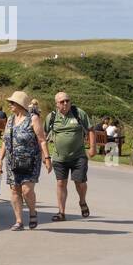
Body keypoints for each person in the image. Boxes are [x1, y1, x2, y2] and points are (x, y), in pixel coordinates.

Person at [0, 90, 50, 231]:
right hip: (13, 160)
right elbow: (5, 140)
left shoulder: (33, 119)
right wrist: (0, 159)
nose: (10, 105)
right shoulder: (10, 119)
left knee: (26, 190)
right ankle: (19, 221)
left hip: (30, 161)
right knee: (15, 190)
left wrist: (47, 158)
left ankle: (32, 212)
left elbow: (42, 140)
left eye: (12, 103)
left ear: (20, 104)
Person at [46, 91, 94, 221]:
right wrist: (45, 157)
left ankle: (82, 201)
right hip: (59, 157)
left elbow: (90, 129)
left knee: (80, 183)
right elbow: (42, 136)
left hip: (79, 156)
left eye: (67, 100)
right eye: (62, 102)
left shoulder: (79, 113)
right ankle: (61, 212)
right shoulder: (51, 117)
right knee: (61, 183)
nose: (65, 103)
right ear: (57, 104)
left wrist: (92, 148)